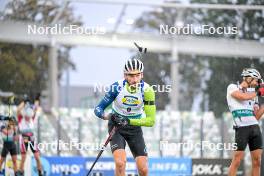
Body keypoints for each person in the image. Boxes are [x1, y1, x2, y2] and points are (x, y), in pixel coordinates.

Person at [94, 56, 156, 176]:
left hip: (134, 128)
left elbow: (151, 121)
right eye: (131, 76)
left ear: (142, 75)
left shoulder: (147, 91)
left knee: (143, 169)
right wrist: (107, 116)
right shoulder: (116, 87)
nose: (135, 79)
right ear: (125, 75)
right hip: (116, 127)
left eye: (138, 75)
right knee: (120, 163)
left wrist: (128, 121)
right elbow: (98, 109)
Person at [227, 68, 264, 176]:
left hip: (255, 128)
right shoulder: (232, 87)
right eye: (256, 80)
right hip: (241, 128)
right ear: (249, 78)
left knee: (257, 162)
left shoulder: (254, 95)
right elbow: (242, 97)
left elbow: (256, 117)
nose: (258, 83)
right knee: (237, 160)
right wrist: (258, 92)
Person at [16, 97, 43, 176]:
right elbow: (18, 110)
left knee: (37, 157)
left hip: (31, 137)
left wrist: (37, 99)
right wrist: (24, 102)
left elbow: (36, 108)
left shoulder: (32, 117)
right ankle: (21, 172)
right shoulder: (21, 117)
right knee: (23, 157)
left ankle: (40, 172)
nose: (28, 117)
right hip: (24, 137)